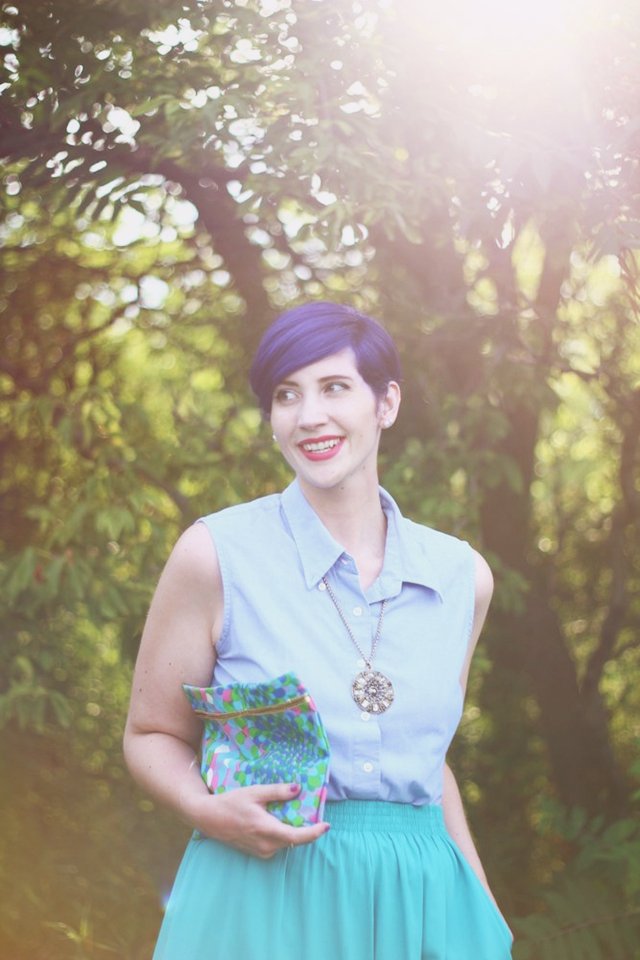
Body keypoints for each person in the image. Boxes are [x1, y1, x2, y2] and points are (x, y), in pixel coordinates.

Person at [124, 301, 513, 960]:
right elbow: (150, 734)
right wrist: (206, 809)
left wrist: (483, 911)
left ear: (385, 403)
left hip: (419, 905)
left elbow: (427, 763)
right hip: (259, 898)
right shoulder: (215, 555)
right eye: (286, 395)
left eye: (335, 388)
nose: (309, 417)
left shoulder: (462, 579)